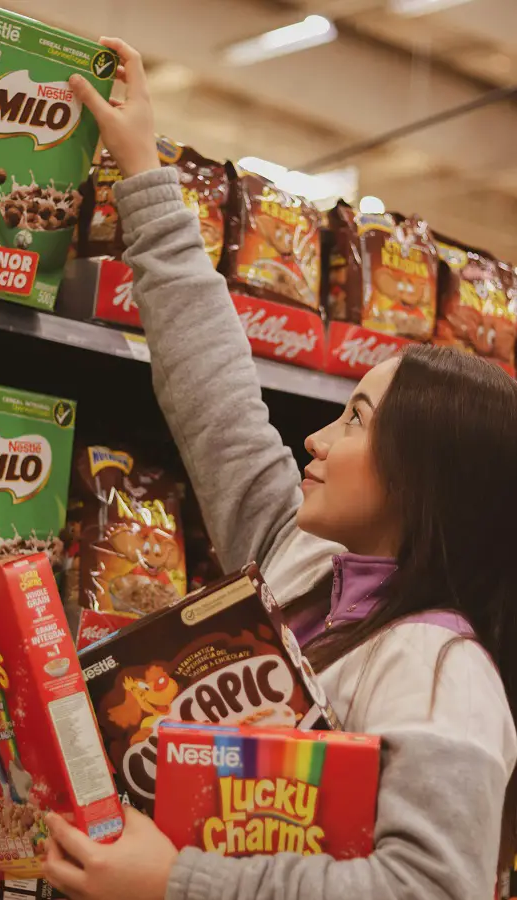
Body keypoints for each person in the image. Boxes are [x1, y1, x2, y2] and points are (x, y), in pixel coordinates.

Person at [41, 38, 517, 900]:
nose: (316, 441)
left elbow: (430, 891)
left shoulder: (444, 673)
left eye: (356, 419)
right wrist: (143, 169)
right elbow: (214, 397)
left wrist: (174, 880)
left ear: (423, 478)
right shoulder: (295, 564)